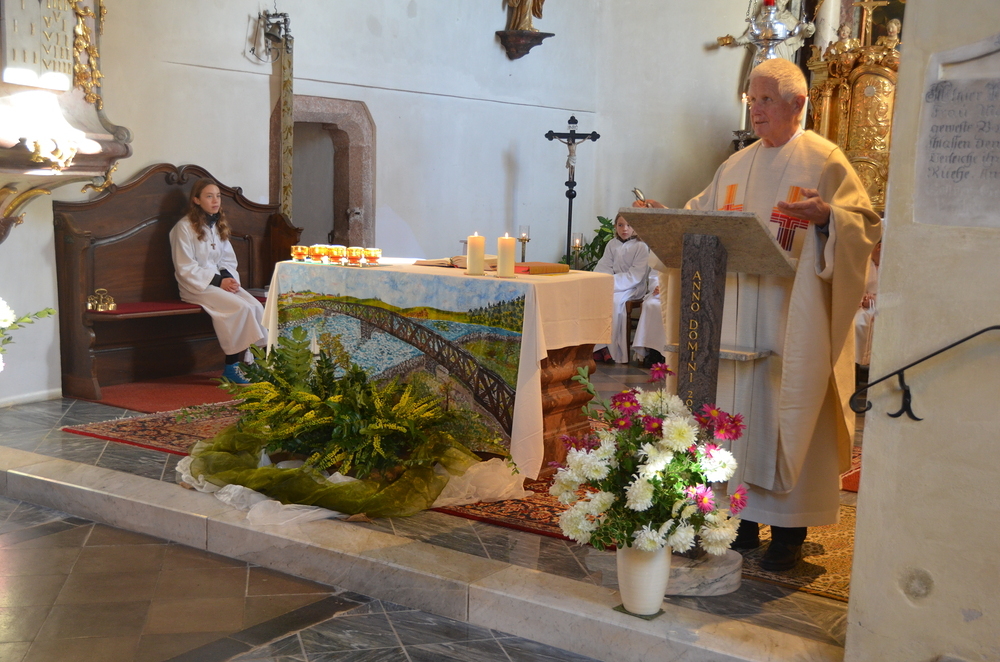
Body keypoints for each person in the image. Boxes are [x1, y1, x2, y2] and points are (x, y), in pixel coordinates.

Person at [643, 58, 881, 571]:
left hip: (791, 323)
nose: (756, 109)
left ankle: (790, 533)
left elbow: (863, 225)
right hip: (731, 326)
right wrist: (669, 220)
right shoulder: (735, 165)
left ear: (798, 103)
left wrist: (828, 220)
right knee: (735, 419)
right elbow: (702, 217)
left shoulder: (824, 159)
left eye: (766, 99)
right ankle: (742, 523)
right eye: (752, 100)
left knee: (786, 412)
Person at [169, 178, 267, 384]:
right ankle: (231, 367)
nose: (215, 201)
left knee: (256, 307)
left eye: (218, 196)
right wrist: (217, 281)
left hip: (219, 282)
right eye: (209, 196)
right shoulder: (184, 228)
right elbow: (185, 266)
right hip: (196, 285)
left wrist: (228, 278)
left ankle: (257, 364)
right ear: (196, 200)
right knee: (240, 308)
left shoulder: (216, 225)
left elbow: (227, 260)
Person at [592, 214, 650, 364]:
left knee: (613, 301)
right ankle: (599, 347)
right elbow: (604, 266)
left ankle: (612, 350)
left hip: (633, 286)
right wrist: (602, 281)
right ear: (615, 226)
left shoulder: (641, 246)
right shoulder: (612, 244)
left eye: (629, 225)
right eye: (620, 225)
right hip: (613, 283)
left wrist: (611, 283)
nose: (625, 229)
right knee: (595, 298)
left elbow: (636, 275)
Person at [631, 273, 667, 368]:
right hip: (660, 293)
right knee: (651, 305)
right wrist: (658, 286)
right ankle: (654, 351)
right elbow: (655, 273)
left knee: (671, 309)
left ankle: (668, 354)